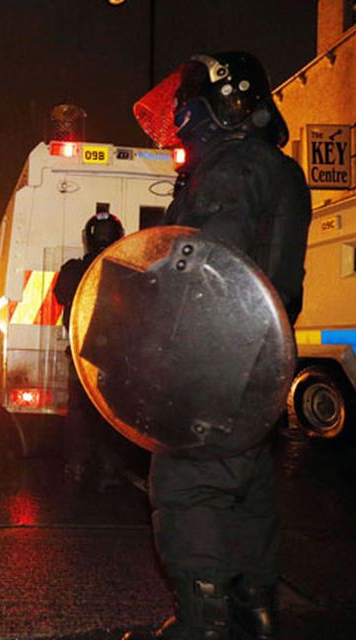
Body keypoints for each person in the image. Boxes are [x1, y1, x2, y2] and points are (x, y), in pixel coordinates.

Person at [124, 52, 310, 639]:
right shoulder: (279, 170)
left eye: (190, 102)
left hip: (214, 358)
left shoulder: (228, 172)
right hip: (263, 357)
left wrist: (139, 298)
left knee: (190, 484)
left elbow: (205, 274)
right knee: (248, 485)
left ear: (226, 102)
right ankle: (255, 611)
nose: (181, 115)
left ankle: (202, 624)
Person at [54, 207, 131, 490]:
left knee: (79, 412)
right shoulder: (126, 270)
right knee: (113, 413)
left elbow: (61, 295)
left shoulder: (72, 269)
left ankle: (76, 465)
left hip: (80, 356)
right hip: (116, 359)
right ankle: (110, 468)